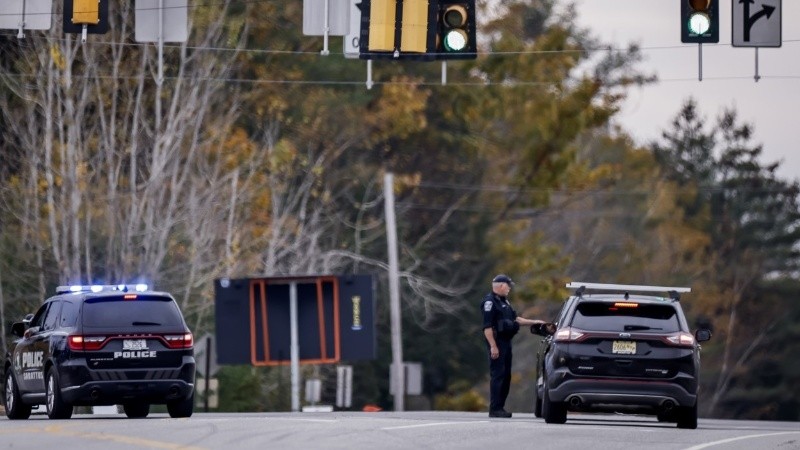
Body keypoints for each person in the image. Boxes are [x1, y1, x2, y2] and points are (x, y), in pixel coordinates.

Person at [481, 274, 545, 418]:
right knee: (497, 375)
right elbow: (487, 328)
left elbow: (515, 319)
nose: (510, 288)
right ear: (502, 285)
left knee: (506, 376)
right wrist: (493, 346)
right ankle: (495, 408)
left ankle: (500, 407)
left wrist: (534, 322)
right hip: (497, 343)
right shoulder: (490, 302)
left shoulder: (504, 302)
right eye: (508, 285)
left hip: (506, 342)